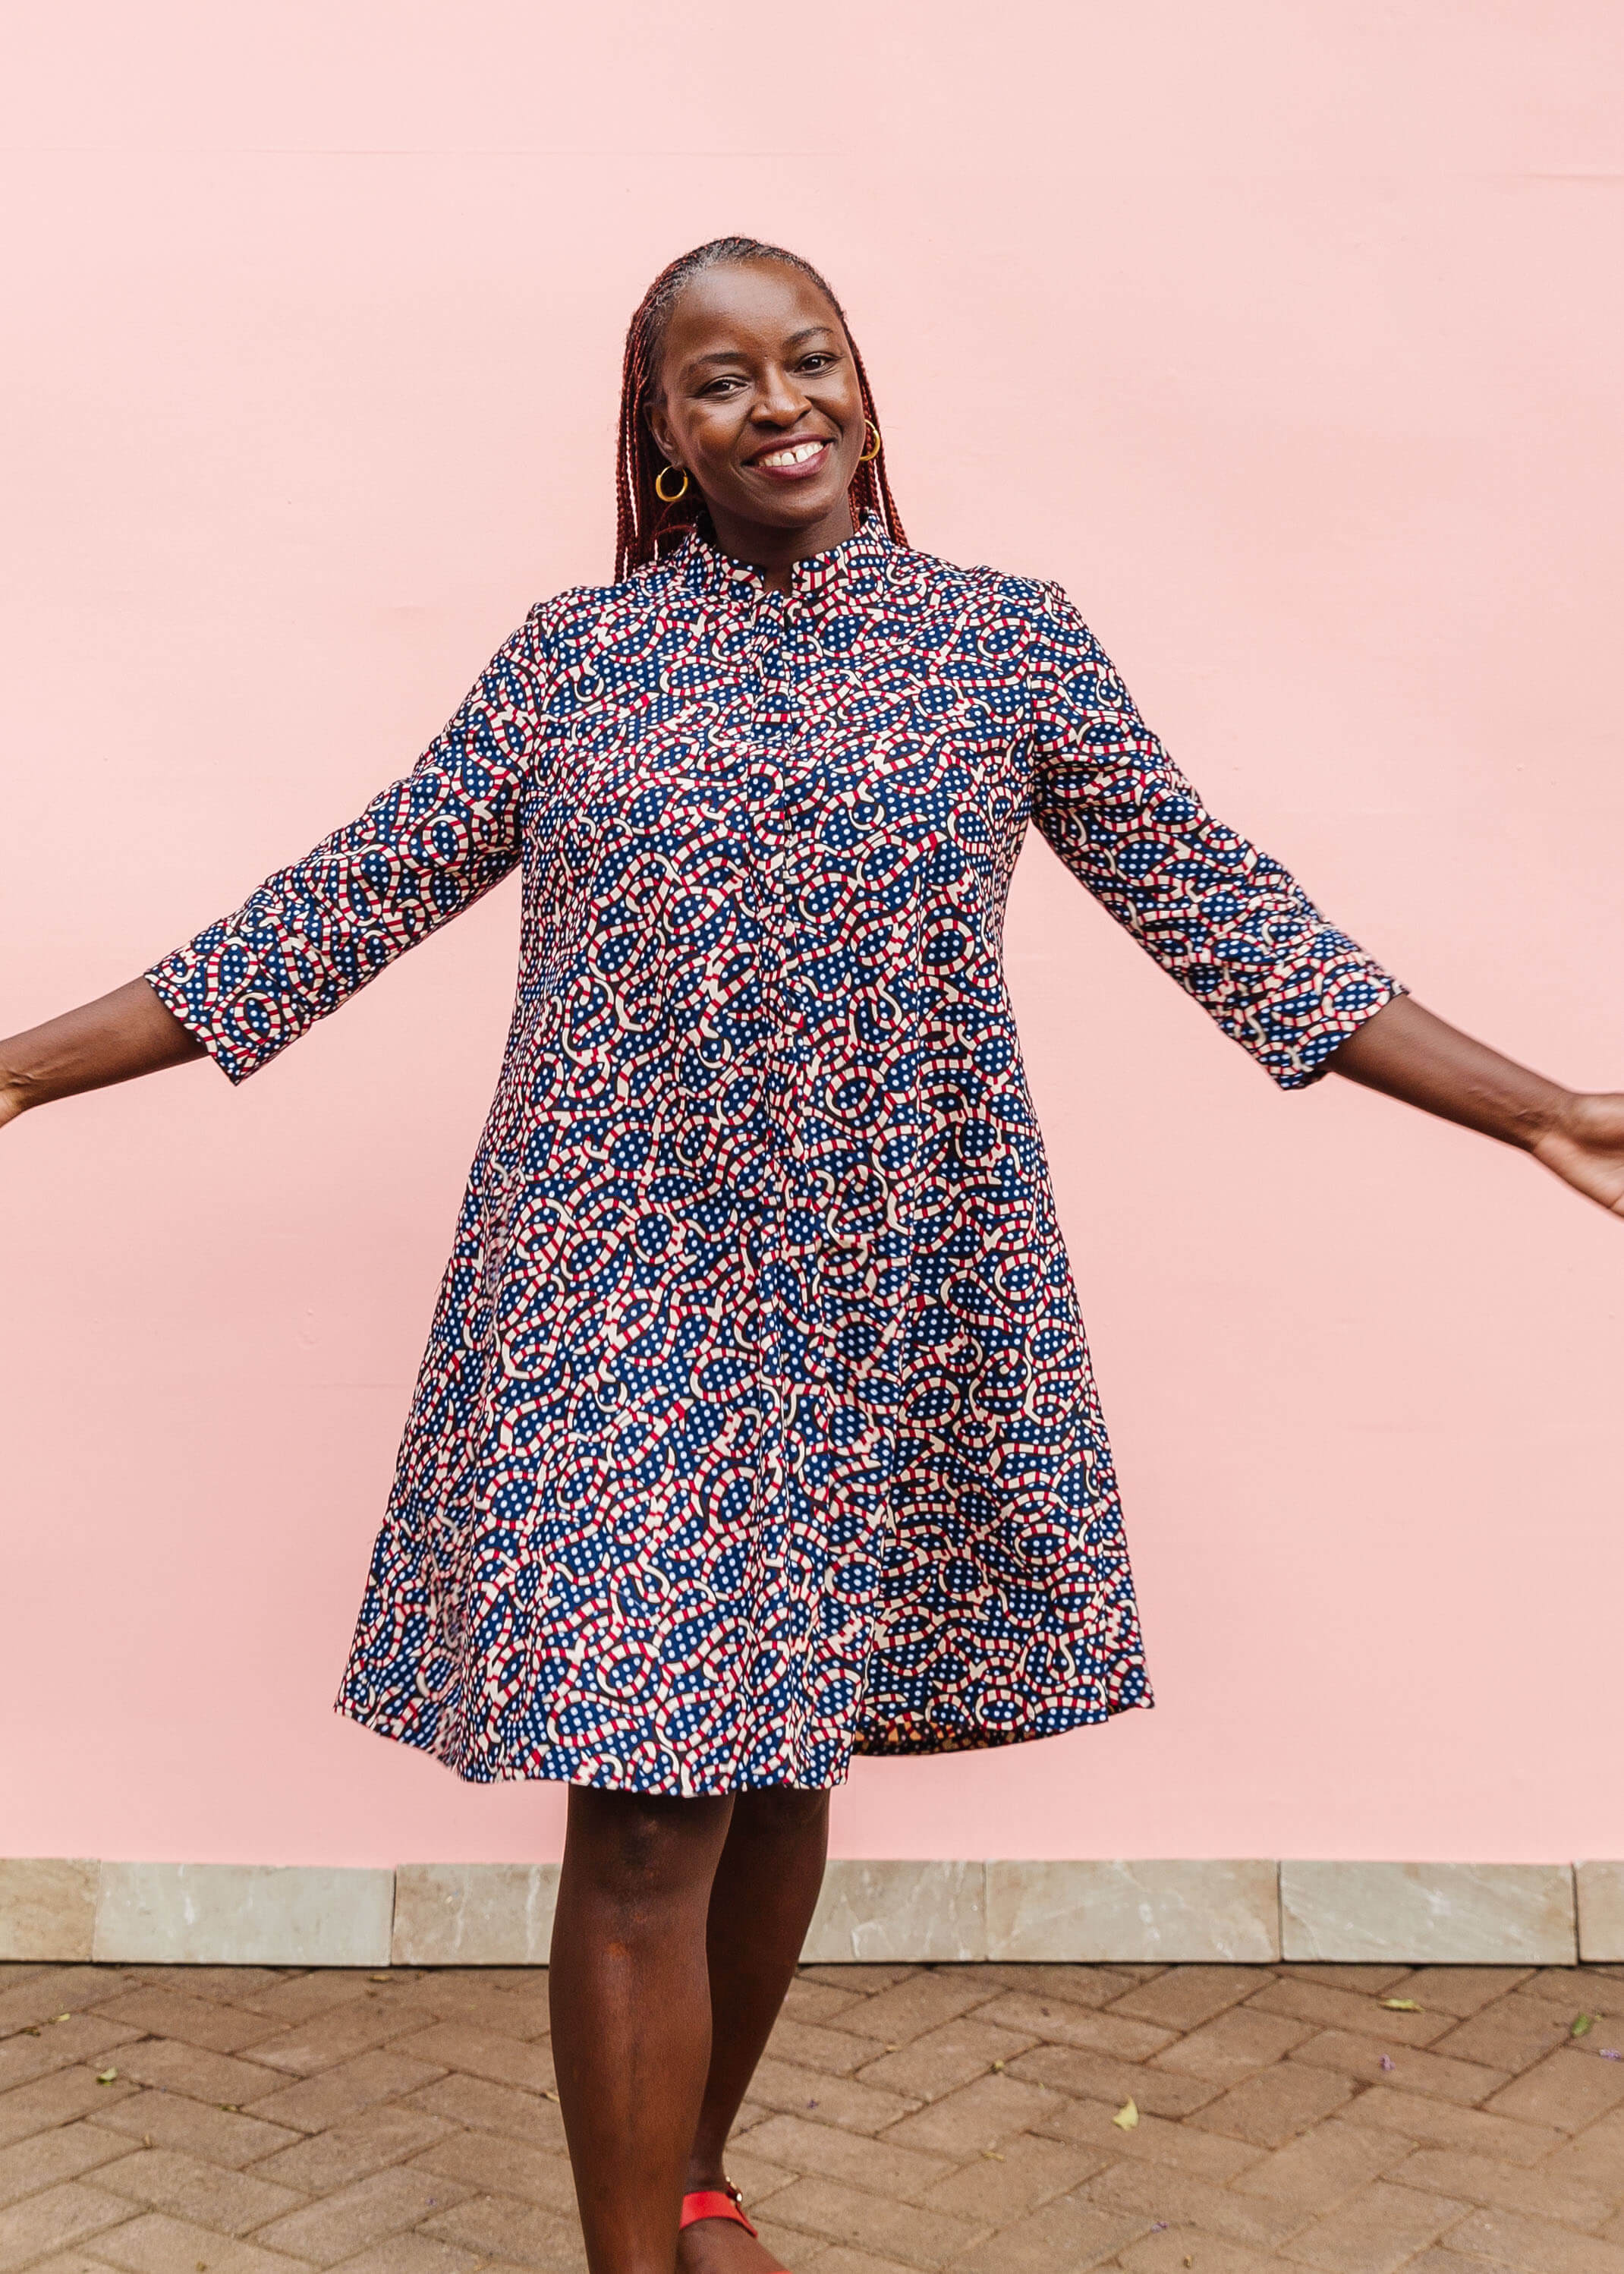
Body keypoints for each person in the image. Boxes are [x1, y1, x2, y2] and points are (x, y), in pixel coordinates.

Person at [3, 234, 1619, 2274]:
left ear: (862, 388)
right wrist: (24, 1073)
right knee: (647, 1795)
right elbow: (340, 898)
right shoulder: (571, 661)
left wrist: (1539, 1103)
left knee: (773, 1761)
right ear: (661, 443)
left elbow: (1229, 912)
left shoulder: (1003, 645)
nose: (778, 402)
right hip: (613, 1274)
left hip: (890, 1276)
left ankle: (687, 2175)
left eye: (810, 358)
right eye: (718, 380)